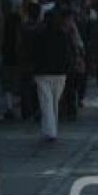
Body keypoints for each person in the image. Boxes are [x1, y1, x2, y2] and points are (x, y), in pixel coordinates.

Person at [32, 9, 72, 141]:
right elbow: (67, 54)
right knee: (54, 102)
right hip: (59, 73)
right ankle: (51, 129)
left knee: (46, 102)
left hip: (43, 73)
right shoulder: (63, 35)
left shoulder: (39, 35)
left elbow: (34, 55)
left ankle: (50, 130)